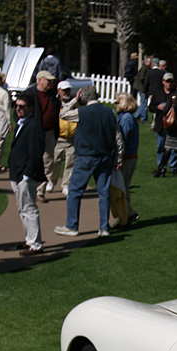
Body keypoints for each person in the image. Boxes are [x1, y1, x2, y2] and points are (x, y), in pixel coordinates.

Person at [55, 85, 120, 238]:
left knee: (75, 191)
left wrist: (74, 100)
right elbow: (117, 137)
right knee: (103, 192)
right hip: (105, 156)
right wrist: (118, 157)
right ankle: (104, 227)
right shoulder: (109, 112)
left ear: (83, 98)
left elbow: (63, 114)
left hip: (85, 156)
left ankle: (72, 226)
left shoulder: (81, 112)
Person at [9, 95, 46, 255]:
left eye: (22, 106)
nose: (18, 109)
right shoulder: (21, 124)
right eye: (16, 106)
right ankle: (29, 240)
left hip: (25, 174)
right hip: (16, 173)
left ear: (30, 108)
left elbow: (36, 152)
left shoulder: (34, 126)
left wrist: (27, 174)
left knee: (29, 209)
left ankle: (36, 245)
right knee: (22, 208)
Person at [21, 70, 59, 202]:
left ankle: (40, 191)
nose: (50, 83)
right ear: (40, 80)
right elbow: (18, 112)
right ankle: (26, 188)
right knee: (30, 159)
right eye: (48, 80)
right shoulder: (29, 94)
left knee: (48, 161)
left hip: (49, 132)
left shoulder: (52, 95)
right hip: (34, 132)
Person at [114, 92, 140, 225]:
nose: (115, 105)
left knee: (119, 189)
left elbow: (121, 140)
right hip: (131, 156)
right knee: (124, 188)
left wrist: (117, 158)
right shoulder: (129, 118)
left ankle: (128, 214)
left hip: (126, 157)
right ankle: (126, 215)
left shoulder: (125, 119)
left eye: (117, 102)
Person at [53, 80, 80, 196]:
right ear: (58, 91)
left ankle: (66, 185)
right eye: (64, 90)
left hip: (71, 138)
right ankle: (52, 181)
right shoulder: (55, 103)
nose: (66, 92)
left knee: (70, 162)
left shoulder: (75, 103)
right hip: (58, 138)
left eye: (68, 90)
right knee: (55, 162)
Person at [150, 72, 177, 174]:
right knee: (160, 147)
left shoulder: (175, 94)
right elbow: (151, 107)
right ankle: (161, 167)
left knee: (174, 148)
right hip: (161, 124)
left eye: (170, 81)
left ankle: (173, 167)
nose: (169, 84)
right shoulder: (157, 94)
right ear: (163, 82)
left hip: (173, 125)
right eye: (167, 81)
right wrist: (158, 107)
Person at [0, 73, 11, 173]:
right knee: (0, 141)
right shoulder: (4, 93)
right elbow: (7, 109)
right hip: (1, 118)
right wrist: (9, 122)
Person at [134, 55, 152, 122]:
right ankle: (141, 118)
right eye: (150, 62)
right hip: (142, 88)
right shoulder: (145, 68)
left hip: (142, 88)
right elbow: (142, 78)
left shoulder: (146, 68)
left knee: (143, 102)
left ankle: (139, 116)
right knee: (144, 103)